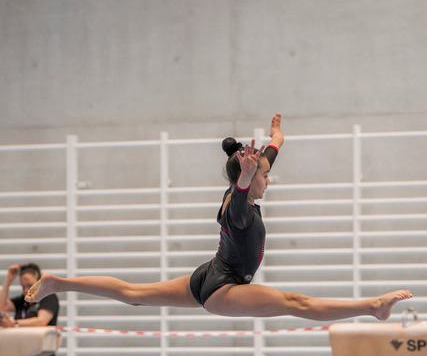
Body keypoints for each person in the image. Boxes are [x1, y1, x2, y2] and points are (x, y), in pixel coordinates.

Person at [25, 113, 412, 322]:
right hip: (222, 288)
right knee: (298, 303)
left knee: (134, 294)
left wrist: (276, 137)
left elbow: (268, 156)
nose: (269, 179)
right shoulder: (238, 209)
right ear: (246, 177)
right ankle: (372, 306)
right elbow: (242, 193)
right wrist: (247, 176)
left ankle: (60, 283)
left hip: (209, 274)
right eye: (264, 176)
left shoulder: (243, 189)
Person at [0, 263, 60, 356]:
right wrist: (9, 279)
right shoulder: (24, 301)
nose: (26, 290)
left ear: (39, 283)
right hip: (21, 355)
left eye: (30, 286)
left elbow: (41, 320)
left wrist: (14, 323)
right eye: (23, 287)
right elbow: (2, 305)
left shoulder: (48, 298)